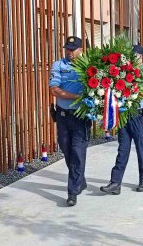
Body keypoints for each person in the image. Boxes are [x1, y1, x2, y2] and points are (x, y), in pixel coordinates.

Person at [100, 44, 143, 195]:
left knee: (141, 148)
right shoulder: (125, 73)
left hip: (139, 115)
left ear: (141, 57)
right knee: (122, 149)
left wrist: (129, 86)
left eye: (135, 56)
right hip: (125, 115)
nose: (133, 59)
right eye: (131, 56)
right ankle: (115, 183)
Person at [49, 36, 91, 207]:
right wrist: (78, 97)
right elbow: (54, 90)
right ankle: (79, 179)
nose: (69, 52)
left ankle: (72, 192)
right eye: (67, 48)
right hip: (63, 116)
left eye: (73, 49)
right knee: (66, 149)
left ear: (81, 49)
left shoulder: (89, 66)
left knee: (77, 151)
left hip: (81, 116)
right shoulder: (58, 65)